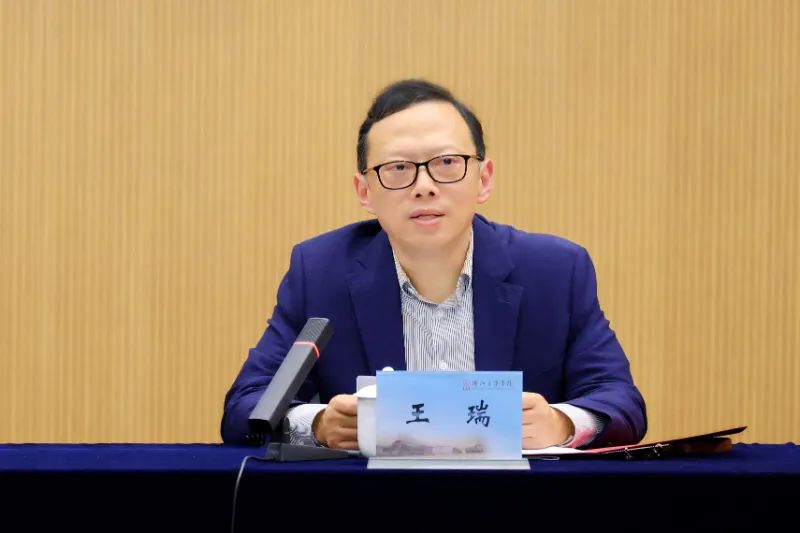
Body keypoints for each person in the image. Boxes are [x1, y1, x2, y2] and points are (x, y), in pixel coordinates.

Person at [221, 79, 646, 450]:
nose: (424, 186)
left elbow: (620, 402)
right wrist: (318, 425)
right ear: (365, 192)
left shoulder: (554, 272)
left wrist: (561, 423)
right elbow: (246, 405)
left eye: (446, 163)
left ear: (483, 179)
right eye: (398, 168)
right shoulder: (320, 272)